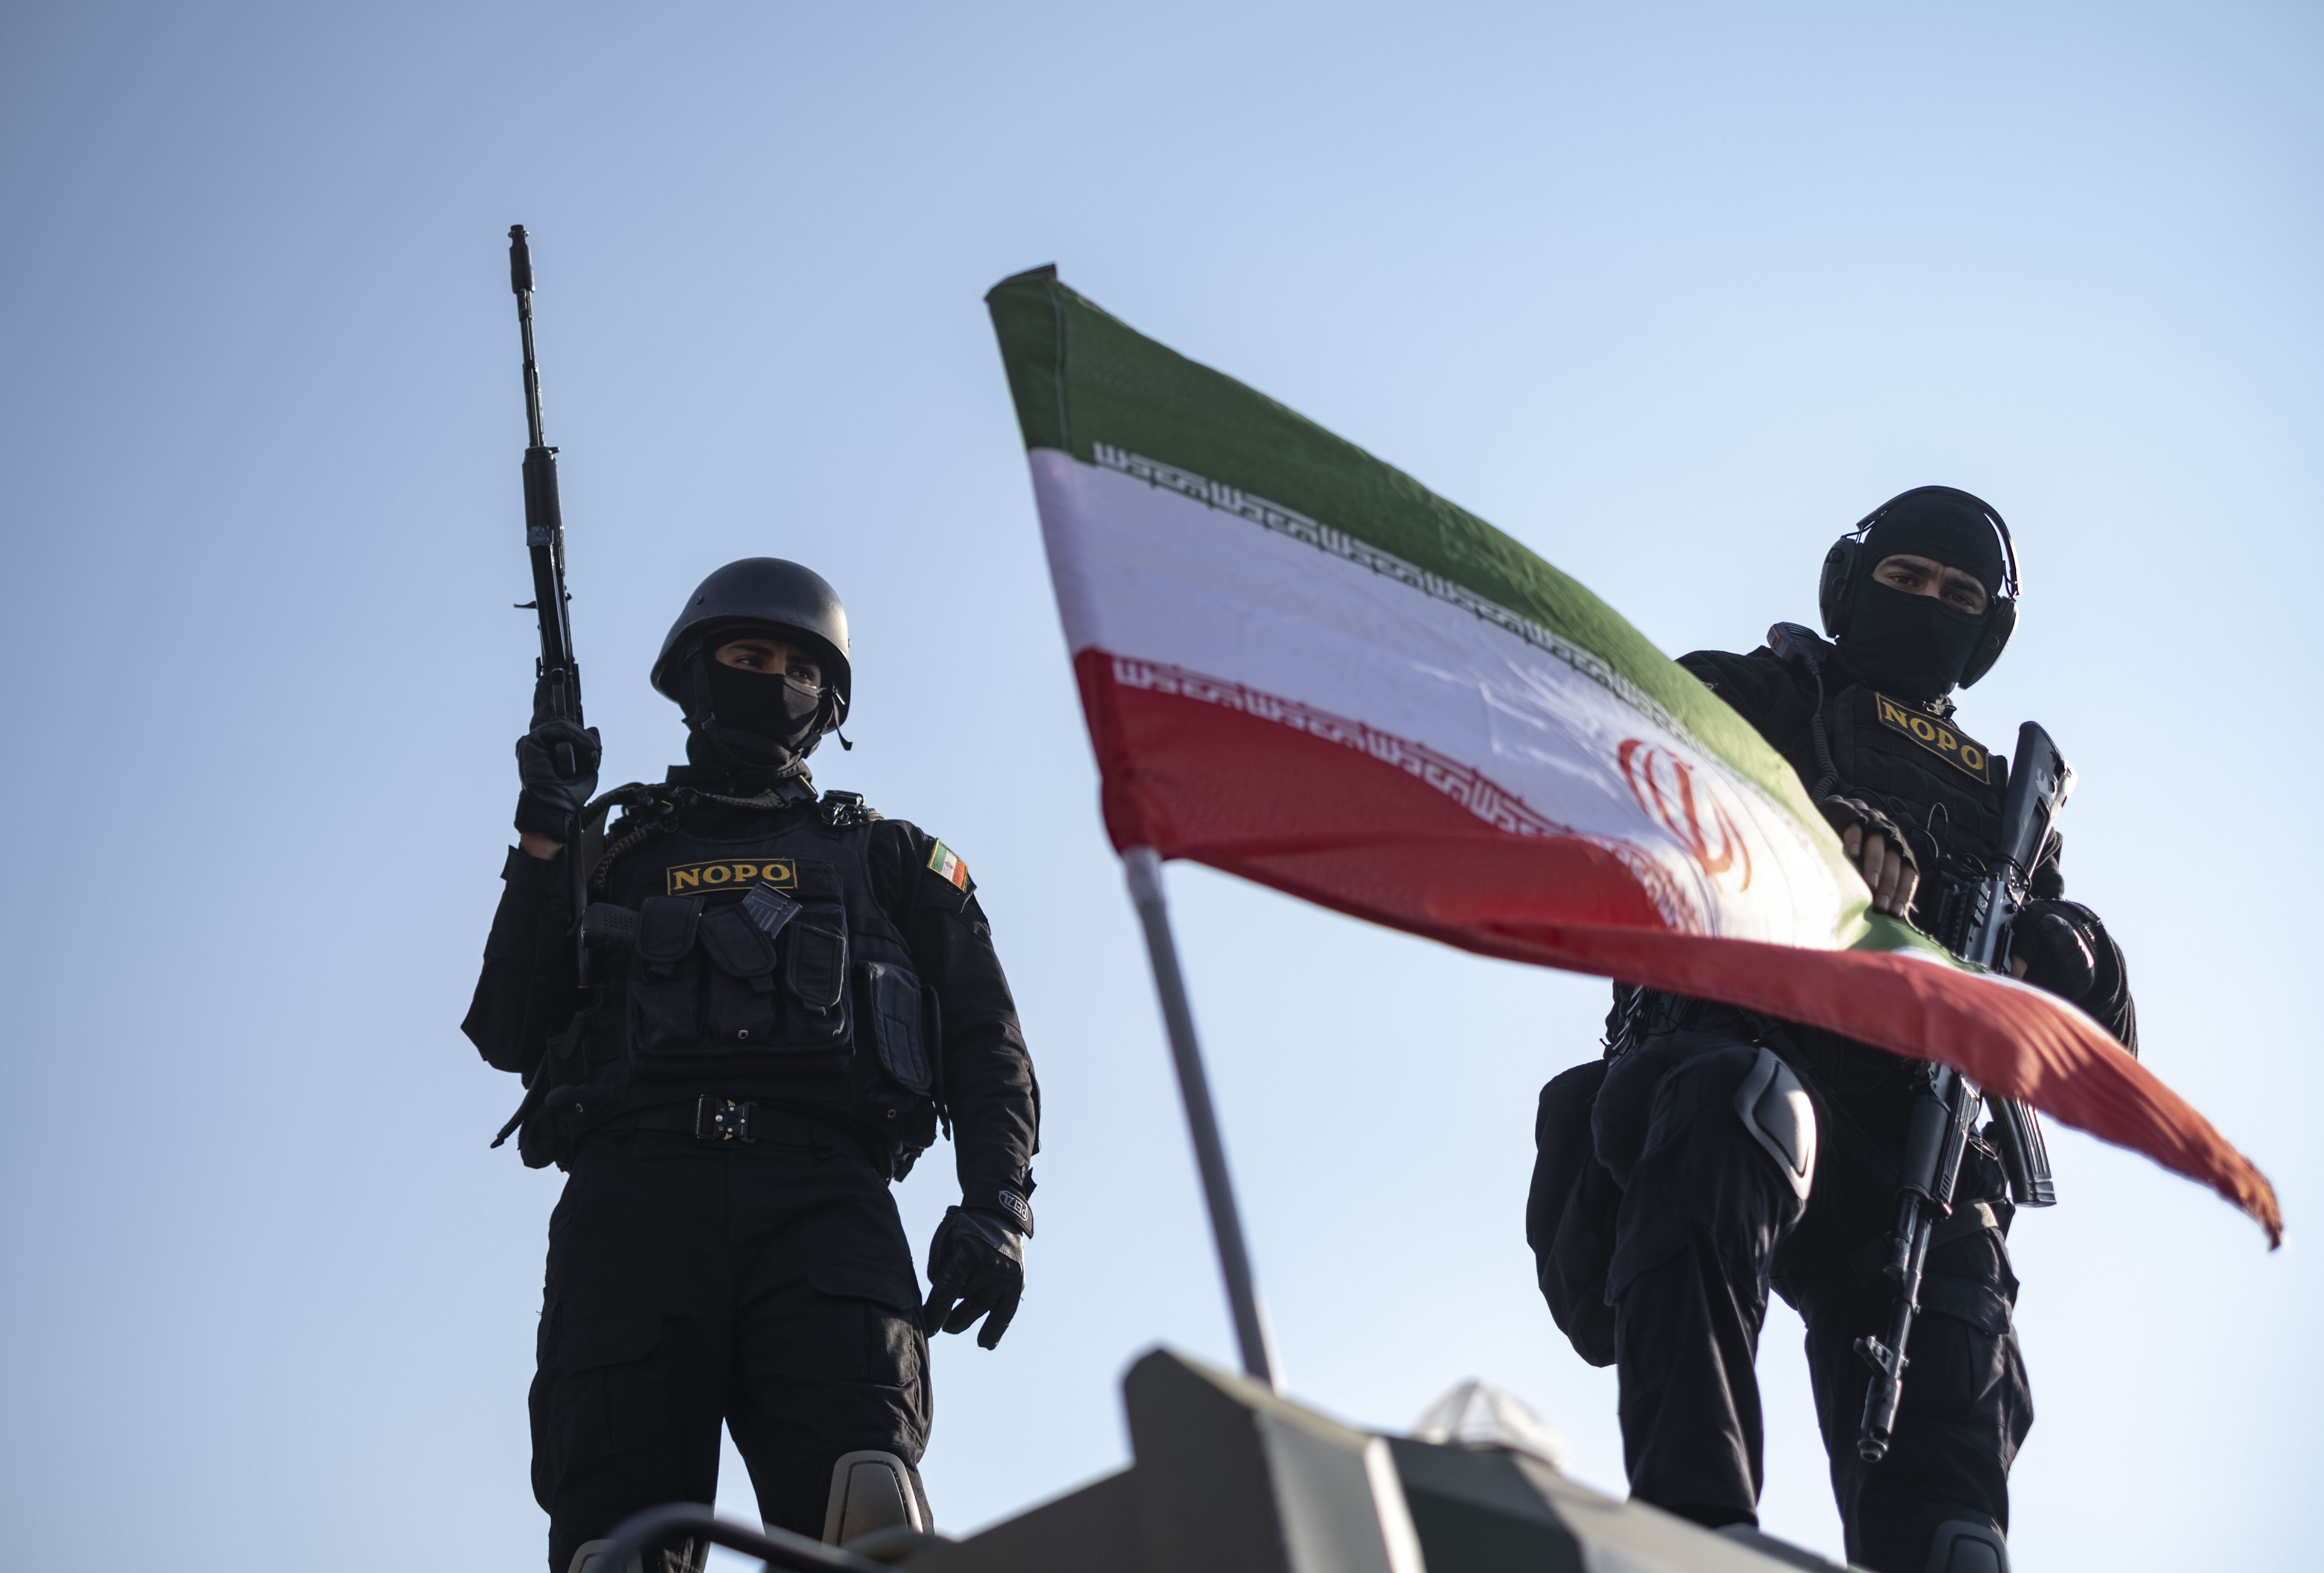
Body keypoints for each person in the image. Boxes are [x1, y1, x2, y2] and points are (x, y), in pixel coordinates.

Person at [1527, 488, 2136, 1573]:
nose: (1928, 606)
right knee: (1739, 1108)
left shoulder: (2009, 815)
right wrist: (1803, 822)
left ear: (1986, 635)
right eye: (1905, 580)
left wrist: (2062, 950)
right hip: (1733, 1071)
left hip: (1916, 1150)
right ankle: (1694, 1528)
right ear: (1850, 588)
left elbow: (2100, 1046)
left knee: (1953, 1515)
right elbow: (1631, 768)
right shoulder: (1747, 691)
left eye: (1958, 596)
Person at [462, 558, 1041, 1572]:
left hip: (825, 1210)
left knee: (869, 1520)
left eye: (799, 667)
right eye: (747, 656)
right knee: (618, 1539)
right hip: (634, 1215)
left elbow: (987, 1045)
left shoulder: (896, 862)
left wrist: (998, 1205)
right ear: (697, 675)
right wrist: (545, 833)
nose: (775, 679)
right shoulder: (612, 851)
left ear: (829, 705)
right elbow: (513, 1029)